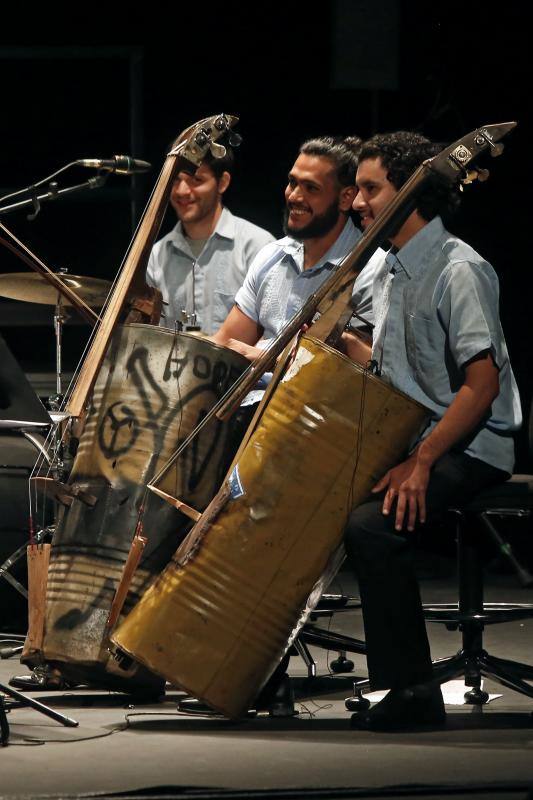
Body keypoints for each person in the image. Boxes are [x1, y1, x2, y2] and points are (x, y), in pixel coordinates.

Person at [343, 131, 522, 730]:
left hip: (471, 444)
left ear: (412, 191)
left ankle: (413, 692)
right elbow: (390, 365)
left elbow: (481, 387)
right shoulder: (384, 269)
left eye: (371, 189)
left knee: (372, 525)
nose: (357, 202)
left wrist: (421, 463)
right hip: (415, 438)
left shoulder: (460, 269)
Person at [212, 135, 375, 361]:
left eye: (311, 188)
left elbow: (349, 375)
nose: (295, 196)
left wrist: (262, 358)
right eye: (292, 183)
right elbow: (224, 346)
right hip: (250, 396)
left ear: (346, 197)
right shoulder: (271, 255)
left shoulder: (370, 271)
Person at [147, 146, 275, 334]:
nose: (182, 191)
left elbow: (274, 332)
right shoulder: (157, 255)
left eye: (196, 180)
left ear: (222, 183)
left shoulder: (258, 246)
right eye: (175, 180)